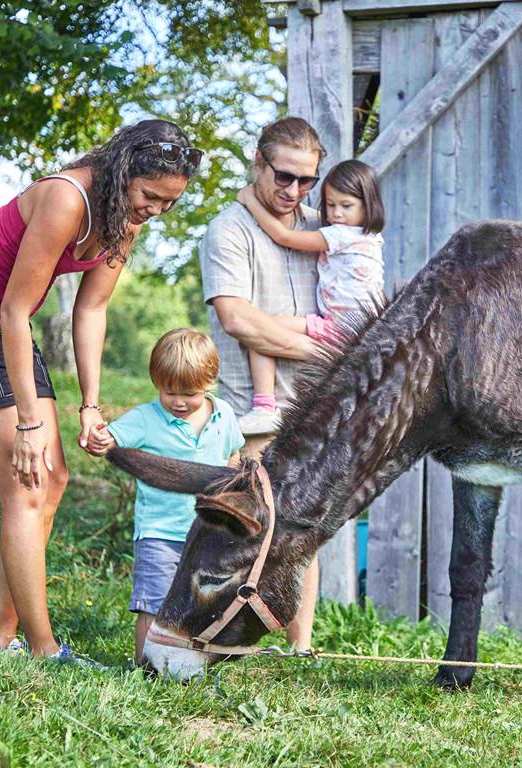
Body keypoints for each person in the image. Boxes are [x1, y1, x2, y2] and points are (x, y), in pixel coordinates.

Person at [0, 119, 202, 664]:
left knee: (53, 479)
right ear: (124, 171)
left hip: (3, 326)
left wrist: (90, 404)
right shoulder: (66, 199)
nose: (156, 211)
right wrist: (28, 422)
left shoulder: (125, 222)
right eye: (150, 196)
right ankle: (43, 649)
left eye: (170, 204)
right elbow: (15, 309)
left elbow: (91, 308)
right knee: (27, 484)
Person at [199, 116, 325, 650]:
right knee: (234, 529)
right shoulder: (228, 228)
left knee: (305, 532)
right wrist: (326, 351)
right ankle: (208, 641)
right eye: (284, 176)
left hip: (315, 405)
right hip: (248, 409)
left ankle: (301, 650)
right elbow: (237, 318)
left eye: (306, 181)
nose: (294, 191)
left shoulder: (325, 226)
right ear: (258, 162)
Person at [84, 328, 243, 665]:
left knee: (199, 603)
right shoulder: (145, 418)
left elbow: (233, 456)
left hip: (204, 535)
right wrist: (99, 441)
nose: (180, 402)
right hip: (159, 532)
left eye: (190, 393)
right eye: (169, 392)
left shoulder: (224, 415)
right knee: (152, 602)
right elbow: (111, 441)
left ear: (210, 381)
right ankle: (144, 667)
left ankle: (188, 663)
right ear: (156, 381)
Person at [235, 158, 385, 434]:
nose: (337, 213)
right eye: (330, 205)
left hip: (344, 331)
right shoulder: (370, 237)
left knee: (260, 330)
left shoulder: (343, 235)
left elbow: (283, 236)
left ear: (368, 204)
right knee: (263, 328)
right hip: (341, 326)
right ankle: (272, 409)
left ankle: (265, 407)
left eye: (346, 206)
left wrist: (249, 200)